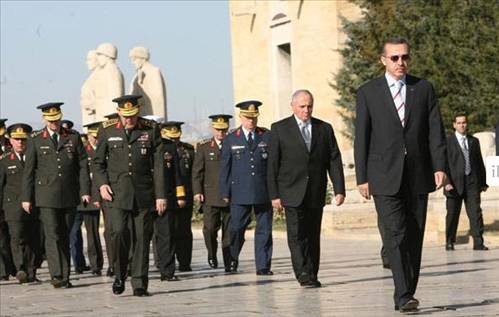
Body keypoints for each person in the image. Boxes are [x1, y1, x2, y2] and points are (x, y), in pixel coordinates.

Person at [354, 38, 447, 312]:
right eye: (394, 58)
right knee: (396, 233)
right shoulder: (368, 92)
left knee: (414, 236)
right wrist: (362, 177)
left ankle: (409, 289)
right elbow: (362, 137)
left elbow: (435, 131)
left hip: (418, 175)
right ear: (383, 60)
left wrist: (439, 166)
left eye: (405, 57)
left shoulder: (423, 89)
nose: (400, 63)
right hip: (383, 176)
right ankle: (403, 294)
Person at [267, 90, 345, 287]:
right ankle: (302, 272)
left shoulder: (324, 128)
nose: (306, 110)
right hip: (291, 191)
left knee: (312, 235)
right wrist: (274, 194)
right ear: (292, 106)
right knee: (296, 234)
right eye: (302, 106)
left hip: (315, 191)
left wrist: (339, 188)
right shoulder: (279, 129)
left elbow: (334, 160)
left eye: (309, 106)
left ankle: (313, 273)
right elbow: (272, 165)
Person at [93, 94, 166, 297]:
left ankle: (140, 283)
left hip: (143, 194)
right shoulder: (107, 130)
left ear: (138, 111)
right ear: (119, 113)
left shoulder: (150, 129)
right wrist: (102, 184)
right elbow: (98, 162)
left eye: (132, 115)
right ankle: (119, 273)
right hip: (117, 194)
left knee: (142, 238)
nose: (129, 120)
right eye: (125, 116)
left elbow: (158, 165)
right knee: (118, 233)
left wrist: (160, 195)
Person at [21, 103, 91, 289]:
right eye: (50, 120)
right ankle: (58, 275)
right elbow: (29, 171)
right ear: (45, 119)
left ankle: (64, 274)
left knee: (65, 235)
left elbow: (83, 166)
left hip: (69, 194)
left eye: (57, 119)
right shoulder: (35, 139)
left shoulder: (73, 138)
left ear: (61, 118)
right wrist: (26, 198)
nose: (54, 123)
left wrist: (85, 190)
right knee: (52, 235)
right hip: (46, 196)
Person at [219, 100, 273, 275]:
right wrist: (225, 191)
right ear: (241, 117)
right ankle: (232, 260)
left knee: (264, 230)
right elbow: (225, 168)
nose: (252, 121)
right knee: (236, 228)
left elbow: (273, 165)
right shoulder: (231, 139)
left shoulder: (266, 136)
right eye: (248, 117)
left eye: (254, 117)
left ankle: (263, 265)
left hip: (263, 190)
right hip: (239, 192)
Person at [0, 123, 40, 283]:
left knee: (34, 239)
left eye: (23, 139)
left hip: (33, 204)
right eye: (16, 140)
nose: (20, 143)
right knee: (17, 238)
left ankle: (32, 271)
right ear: (10, 140)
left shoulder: (35, 157)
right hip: (12, 206)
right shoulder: (4, 160)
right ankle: (20, 268)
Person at [192, 114, 232, 271]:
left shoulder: (232, 144)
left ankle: (229, 261)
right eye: (217, 129)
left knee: (229, 231)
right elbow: (197, 171)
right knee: (209, 229)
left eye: (223, 130)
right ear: (212, 128)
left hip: (230, 195)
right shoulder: (204, 147)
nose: (220, 133)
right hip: (210, 195)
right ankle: (211, 254)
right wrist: (197, 191)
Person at [444, 113, 488, 251]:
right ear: (454, 125)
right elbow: (444, 164)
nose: (462, 125)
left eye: (464, 122)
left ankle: (478, 242)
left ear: (467, 124)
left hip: (472, 183)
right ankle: (450, 241)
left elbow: (479, 162)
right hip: (454, 184)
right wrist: (446, 182)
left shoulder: (474, 141)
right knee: (452, 215)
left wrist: (483, 182)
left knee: (475, 213)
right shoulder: (448, 142)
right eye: (459, 123)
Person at [154, 123, 186, 281]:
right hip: (145, 197)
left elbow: (176, 173)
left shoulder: (169, 147)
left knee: (167, 235)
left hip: (167, 197)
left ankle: (167, 271)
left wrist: (180, 196)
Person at [162, 121, 194, 272]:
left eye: (176, 138)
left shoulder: (188, 150)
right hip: (166, 196)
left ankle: (185, 263)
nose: (174, 141)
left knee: (184, 231)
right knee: (166, 232)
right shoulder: (160, 150)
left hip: (185, 196)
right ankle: (165, 263)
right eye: (171, 138)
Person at [76, 122, 105, 275]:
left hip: (107, 195)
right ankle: (96, 264)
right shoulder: (84, 152)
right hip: (90, 197)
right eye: (94, 137)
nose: (96, 140)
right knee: (92, 233)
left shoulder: (105, 149)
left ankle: (115, 263)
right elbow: (83, 177)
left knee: (113, 231)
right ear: (88, 136)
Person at [128, 46, 167, 119]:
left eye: (134, 59)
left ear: (142, 58)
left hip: (151, 117)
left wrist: (158, 122)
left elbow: (158, 100)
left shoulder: (154, 71)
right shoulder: (137, 75)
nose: (133, 62)